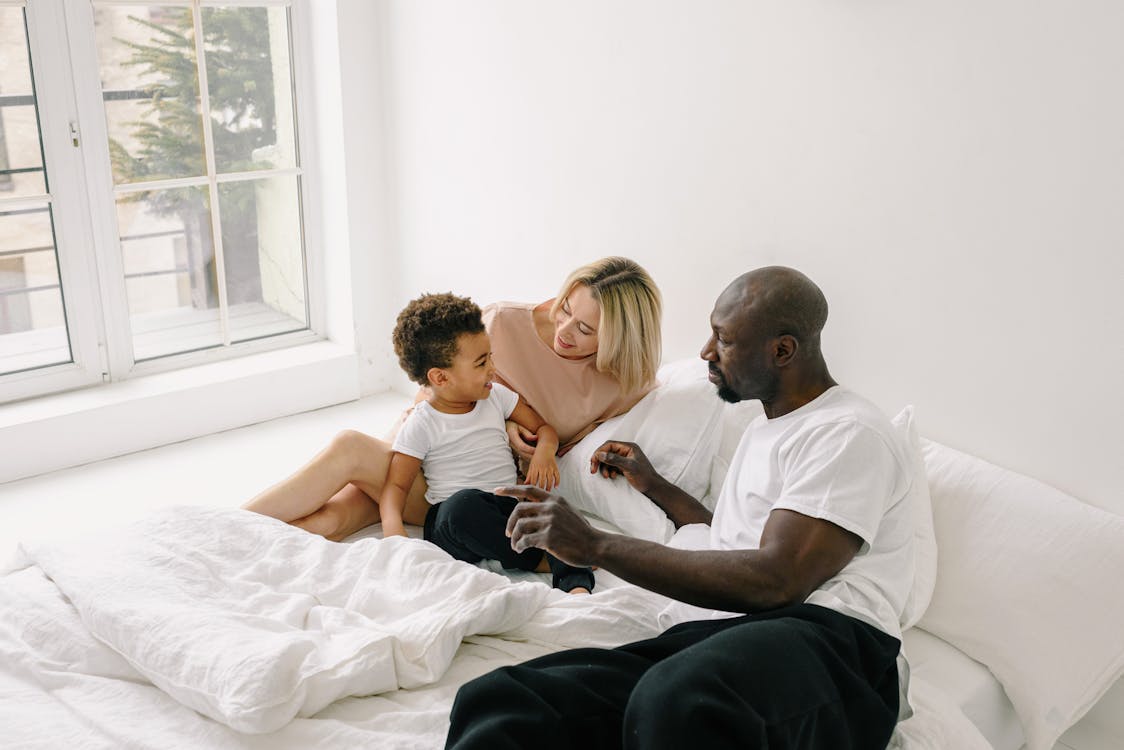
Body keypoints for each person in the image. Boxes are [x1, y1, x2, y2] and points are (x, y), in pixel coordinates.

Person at [445, 266, 918, 750]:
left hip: (836, 646)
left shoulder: (847, 431)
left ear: (782, 350)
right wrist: (655, 485)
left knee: (674, 702)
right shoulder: (764, 429)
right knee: (504, 701)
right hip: (731, 631)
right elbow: (728, 544)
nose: (705, 353)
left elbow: (779, 579)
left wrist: (594, 546)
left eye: (724, 339)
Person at [242, 257, 662, 544]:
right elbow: (433, 393)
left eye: (585, 330)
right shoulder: (502, 321)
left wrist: (530, 440)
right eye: (566, 307)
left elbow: (569, 447)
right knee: (333, 519)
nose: (564, 329)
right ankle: (228, 535)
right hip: (426, 450)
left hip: (474, 489)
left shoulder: (623, 386)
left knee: (349, 449)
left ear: (620, 338)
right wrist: (503, 423)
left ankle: (224, 527)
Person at [382, 292, 593, 593]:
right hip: (453, 520)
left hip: (505, 510)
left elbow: (543, 428)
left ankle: (576, 586)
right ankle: (539, 560)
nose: (493, 369)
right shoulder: (422, 422)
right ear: (441, 378)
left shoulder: (497, 396)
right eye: (481, 363)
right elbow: (396, 486)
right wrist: (393, 532)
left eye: (490, 356)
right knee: (463, 507)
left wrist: (545, 452)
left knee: (556, 515)